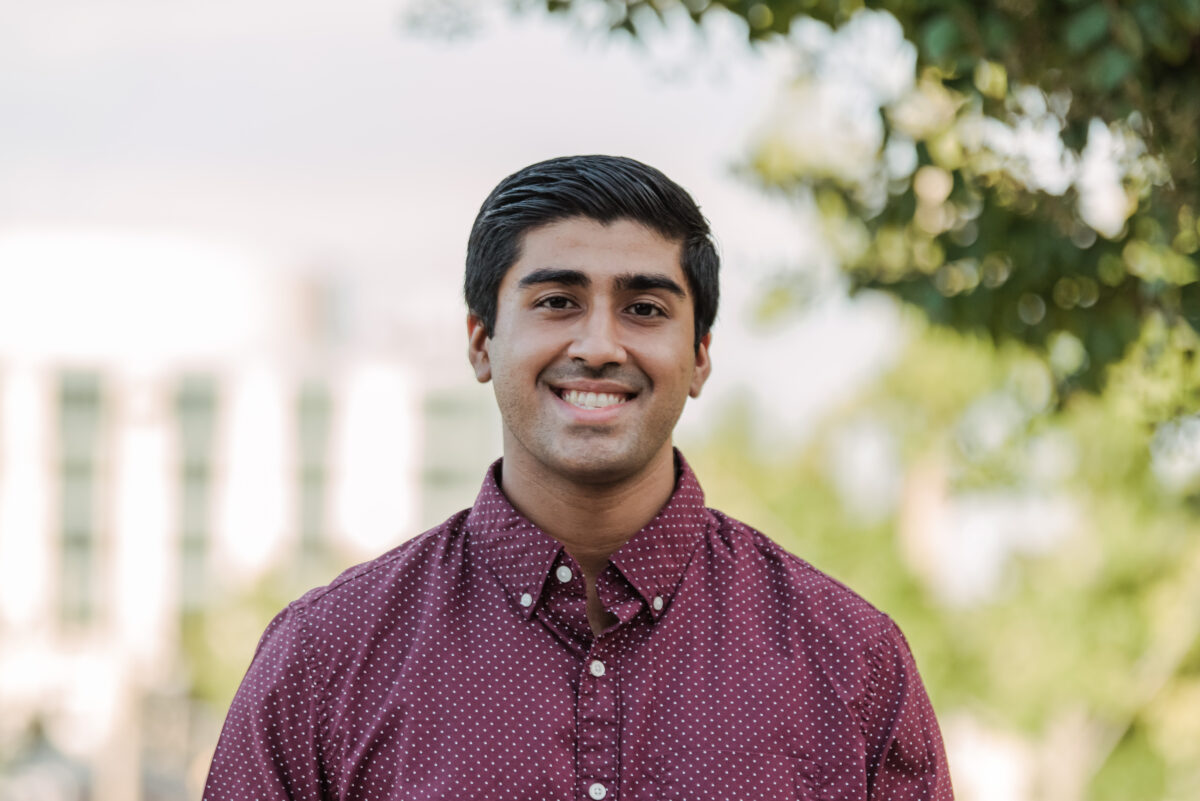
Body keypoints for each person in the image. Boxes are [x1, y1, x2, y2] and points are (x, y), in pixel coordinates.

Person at [203, 155, 954, 800]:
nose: (598, 344)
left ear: (699, 355)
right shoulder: (326, 657)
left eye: (644, 308)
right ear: (480, 341)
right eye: (557, 302)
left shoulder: (850, 662)